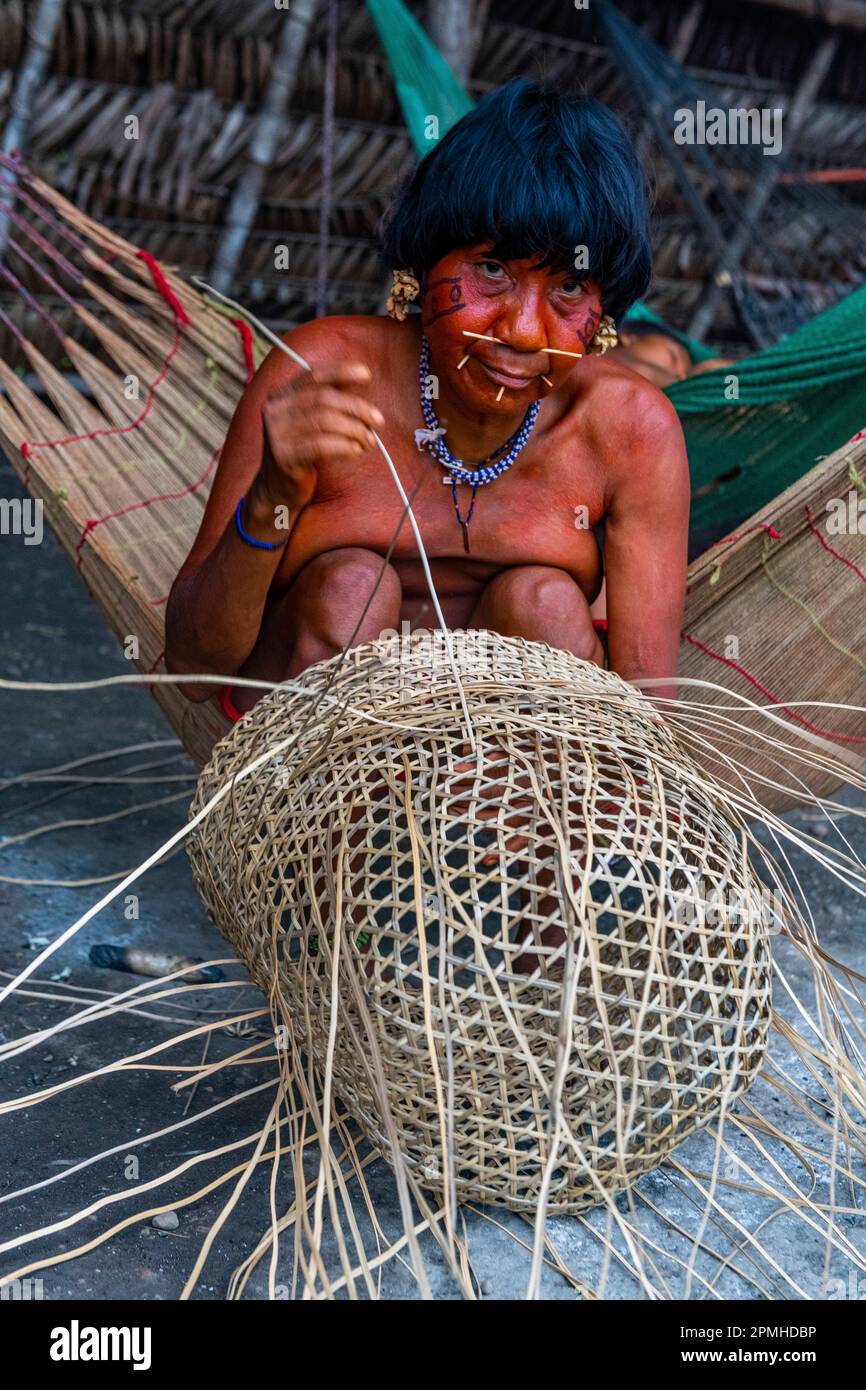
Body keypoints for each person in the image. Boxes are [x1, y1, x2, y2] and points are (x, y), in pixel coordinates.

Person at [165, 78, 690, 740]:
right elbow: (191, 667)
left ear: (605, 318)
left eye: (568, 288)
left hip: (520, 783)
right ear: (423, 267)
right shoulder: (326, 379)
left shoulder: (628, 430)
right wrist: (274, 491)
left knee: (546, 604)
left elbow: (645, 715)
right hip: (310, 769)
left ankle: (512, 843)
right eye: (492, 269)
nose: (523, 331)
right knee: (353, 589)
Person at [614, 319, 733, 388]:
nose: (681, 377)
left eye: (682, 376)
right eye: (673, 358)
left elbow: (733, 396)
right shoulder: (600, 354)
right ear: (628, 337)